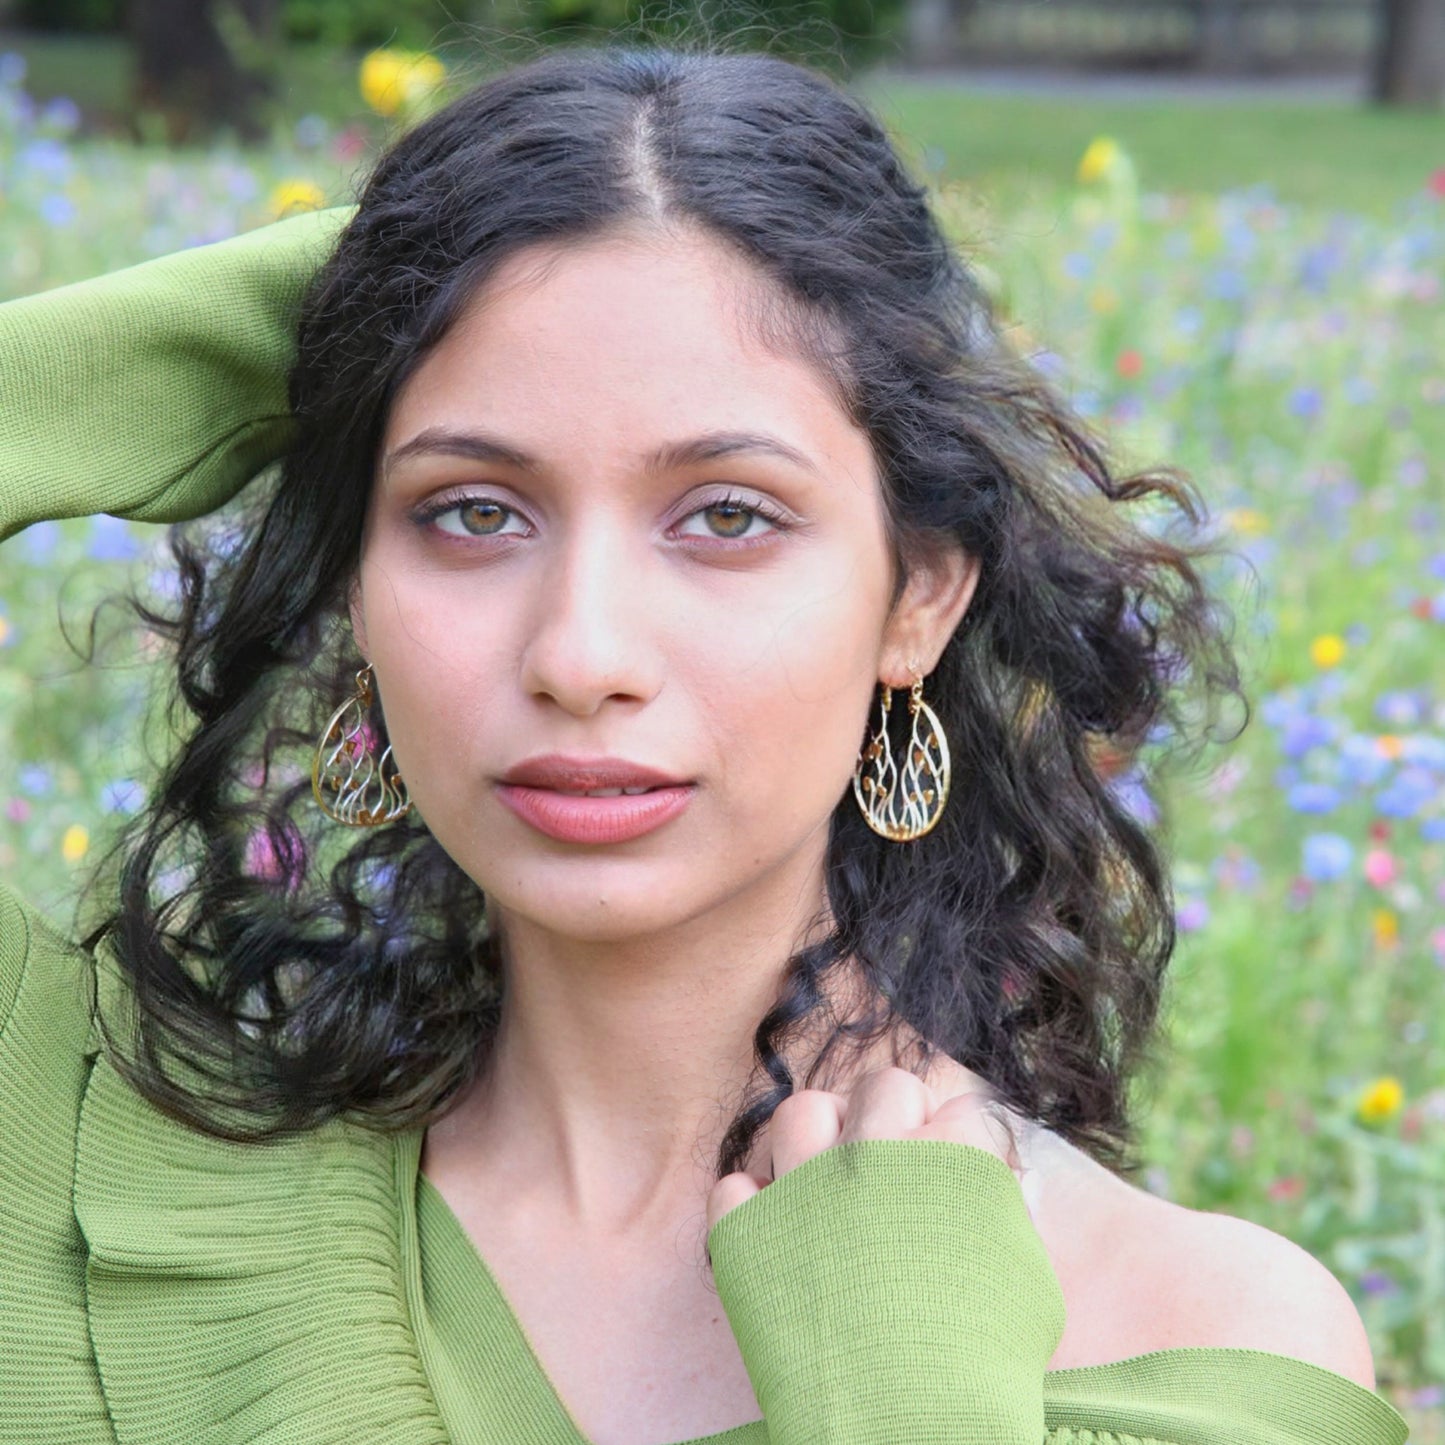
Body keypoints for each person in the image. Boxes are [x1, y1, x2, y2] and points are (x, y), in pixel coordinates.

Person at [0, 41, 1409, 1445]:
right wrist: (333, 299)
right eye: (471, 510)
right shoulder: (72, 1165)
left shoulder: (1199, 1337)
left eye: (726, 515)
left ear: (916, 592)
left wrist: (902, 1397)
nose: (581, 655)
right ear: (355, 585)